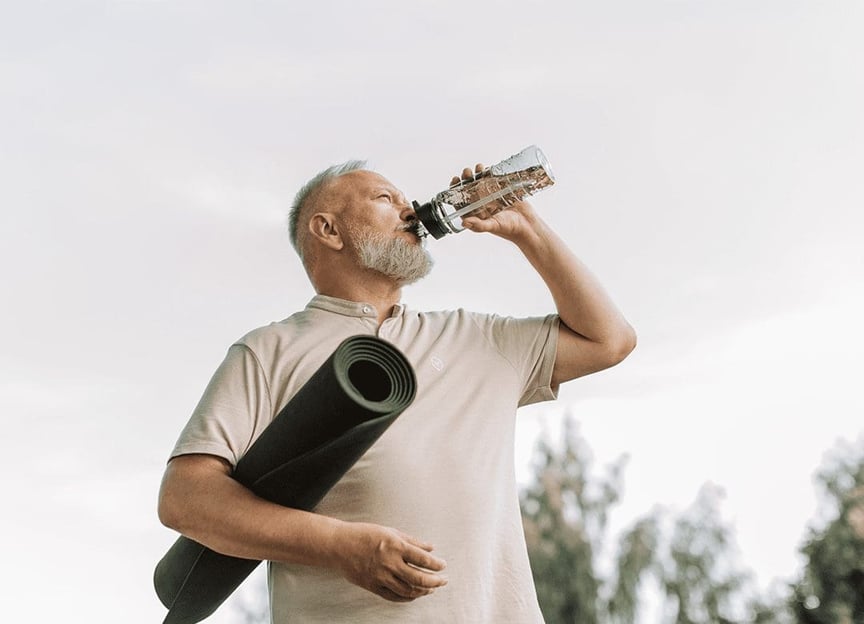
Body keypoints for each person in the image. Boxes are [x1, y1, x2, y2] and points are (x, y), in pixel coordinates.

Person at [158, 159, 637, 623]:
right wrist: (339, 546)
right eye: (385, 199)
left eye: (407, 200)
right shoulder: (268, 351)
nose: (410, 210)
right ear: (328, 230)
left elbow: (609, 340)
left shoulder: (477, 338)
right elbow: (185, 499)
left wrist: (528, 229)